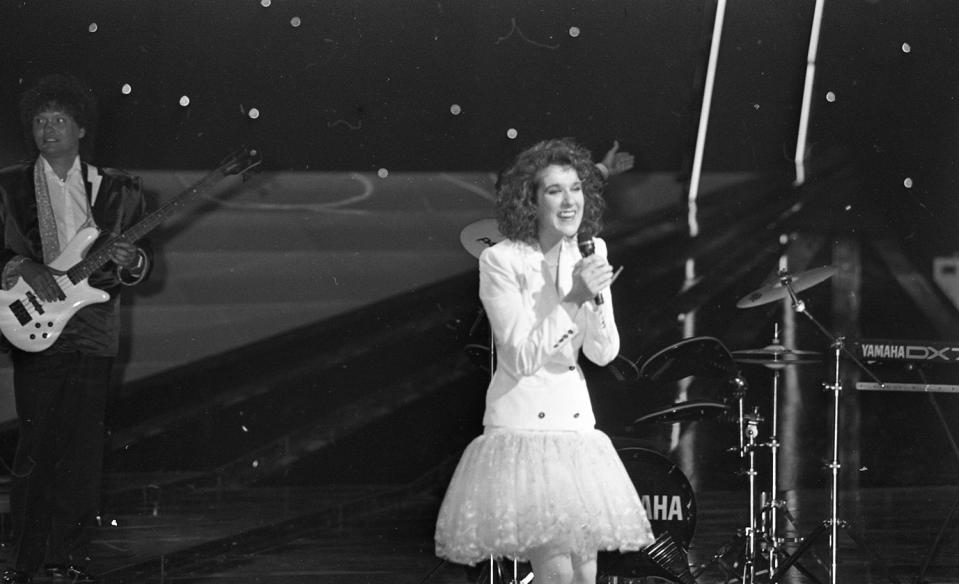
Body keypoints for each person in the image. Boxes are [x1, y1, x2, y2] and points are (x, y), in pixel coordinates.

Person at [435, 138, 653, 584]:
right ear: (531, 200)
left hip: (575, 429)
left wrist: (596, 301)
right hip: (524, 429)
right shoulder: (502, 260)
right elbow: (519, 357)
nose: (569, 200)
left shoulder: (592, 251)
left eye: (576, 188)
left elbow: (603, 352)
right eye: (555, 190)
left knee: (584, 574)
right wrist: (572, 299)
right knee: (555, 573)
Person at [0, 74, 152, 584]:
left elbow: (138, 267)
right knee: (35, 449)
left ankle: (66, 560)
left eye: (58, 120)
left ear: (80, 128)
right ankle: (19, 562)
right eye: (40, 122)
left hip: (94, 328)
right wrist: (23, 266)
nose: (48, 130)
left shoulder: (119, 188)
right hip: (36, 326)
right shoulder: (9, 184)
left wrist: (132, 261)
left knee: (84, 455)